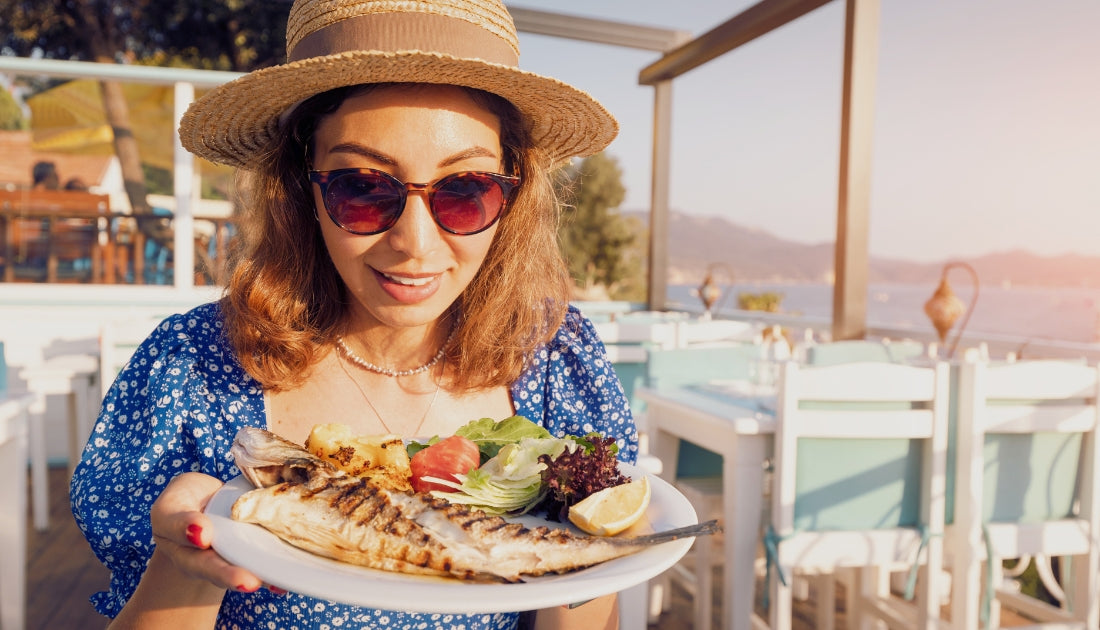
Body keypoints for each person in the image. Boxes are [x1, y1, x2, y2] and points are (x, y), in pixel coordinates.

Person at [70, 0, 636, 629]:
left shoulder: (556, 355)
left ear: (513, 190)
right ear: (300, 187)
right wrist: (182, 563)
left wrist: (588, 556)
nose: (415, 244)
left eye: (465, 190)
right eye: (364, 187)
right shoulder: (191, 366)